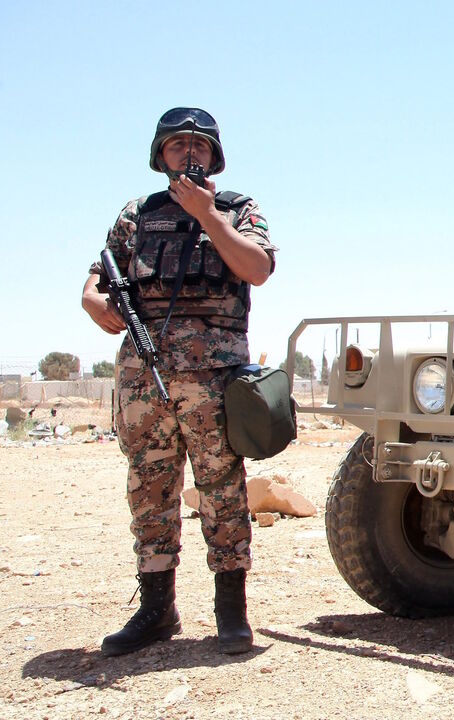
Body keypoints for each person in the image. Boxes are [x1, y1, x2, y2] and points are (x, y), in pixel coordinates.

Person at [81, 107, 275, 656]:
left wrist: (209, 217)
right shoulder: (137, 214)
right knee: (151, 490)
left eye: (198, 146)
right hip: (145, 377)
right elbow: (98, 278)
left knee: (222, 490)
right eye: (176, 146)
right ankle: (155, 609)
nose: (188, 154)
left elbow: (256, 269)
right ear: (159, 155)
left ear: (214, 155)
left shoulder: (238, 209)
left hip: (214, 376)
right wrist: (92, 300)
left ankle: (231, 614)